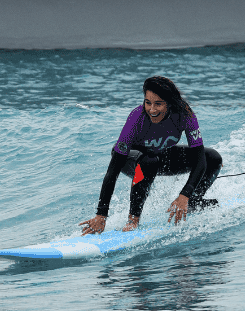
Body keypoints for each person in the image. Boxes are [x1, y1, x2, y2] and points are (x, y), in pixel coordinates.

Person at [79, 76, 222, 235]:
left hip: (161, 156)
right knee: (149, 161)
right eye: (148, 102)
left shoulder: (184, 114)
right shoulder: (136, 117)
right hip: (131, 160)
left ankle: (192, 202)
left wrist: (184, 195)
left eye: (158, 104)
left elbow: (200, 160)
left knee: (213, 158)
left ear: (170, 102)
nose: (152, 110)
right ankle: (133, 221)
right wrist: (101, 214)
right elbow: (112, 171)